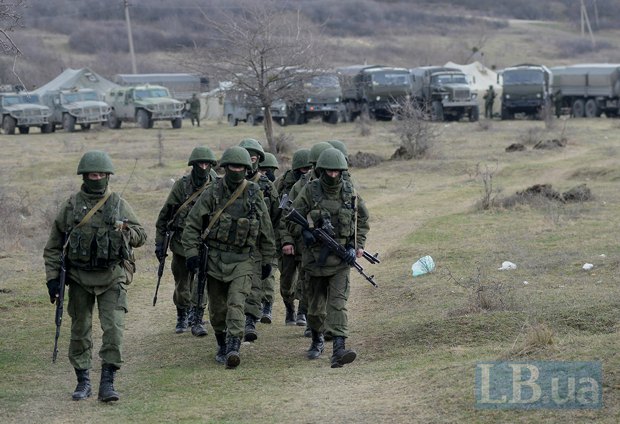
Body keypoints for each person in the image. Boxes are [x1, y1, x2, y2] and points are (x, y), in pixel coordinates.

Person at [43, 150, 147, 401]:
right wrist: (52, 279)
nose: (97, 177)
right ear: (84, 176)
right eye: (92, 174)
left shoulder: (118, 203)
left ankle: (108, 383)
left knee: (114, 330)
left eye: (101, 174)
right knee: (80, 330)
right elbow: (54, 245)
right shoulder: (71, 205)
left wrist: (124, 230)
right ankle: (83, 382)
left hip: (112, 277)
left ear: (108, 176)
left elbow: (141, 236)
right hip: (79, 278)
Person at [182, 146, 275, 369]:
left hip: (243, 260)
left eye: (241, 167)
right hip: (214, 259)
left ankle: (234, 347)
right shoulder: (212, 192)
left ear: (247, 169)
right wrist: (192, 254)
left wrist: (267, 261)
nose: (236, 170)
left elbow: (266, 231)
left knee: (236, 304)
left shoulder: (254, 193)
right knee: (217, 309)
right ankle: (222, 344)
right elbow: (192, 224)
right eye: (232, 166)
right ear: (224, 168)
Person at [286, 148, 370, 368]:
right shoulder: (309, 191)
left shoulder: (350, 192)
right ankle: (316, 339)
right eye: (329, 172)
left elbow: (362, 220)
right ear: (321, 170)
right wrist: (304, 233)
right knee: (314, 310)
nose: (333, 176)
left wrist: (356, 246)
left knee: (338, 305)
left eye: (337, 172)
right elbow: (290, 218)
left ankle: (339, 350)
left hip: (340, 262)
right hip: (314, 262)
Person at [154, 146, 218, 336]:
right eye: (200, 164)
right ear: (193, 165)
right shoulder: (181, 186)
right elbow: (164, 216)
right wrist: (159, 243)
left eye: (207, 164)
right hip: (181, 244)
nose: (204, 167)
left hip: (205, 243)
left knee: (201, 281)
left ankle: (196, 316)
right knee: (182, 284)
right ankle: (182, 314)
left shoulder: (217, 185)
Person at [238, 138, 280, 340]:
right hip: (230, 247)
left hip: (256, 246)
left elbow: (275, 220)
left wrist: (271, 251)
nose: (248, 162)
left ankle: (250, 321)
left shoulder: (267, 187)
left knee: (255, 285)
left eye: (253, 158)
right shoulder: (223, 186)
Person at [274, 148, 311, 325]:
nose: (305, 172)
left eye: (308, 169)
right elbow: (278, 215)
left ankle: (303, 312)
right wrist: (285, 240)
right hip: (286, 237)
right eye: (302, 169)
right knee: (287, 280)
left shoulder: (313, 184)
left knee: (306, 277)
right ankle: (290, 308)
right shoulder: (282, 183)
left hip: (306, 240)